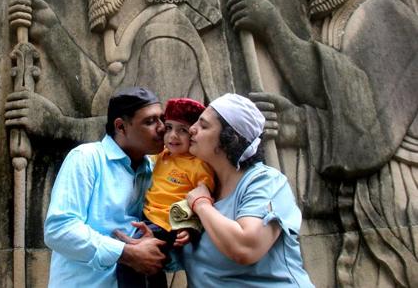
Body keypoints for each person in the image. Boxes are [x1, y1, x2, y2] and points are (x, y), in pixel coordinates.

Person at [227, 0, 418, 285]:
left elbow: (372, 125)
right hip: (366, 204)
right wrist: (298, 122)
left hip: (401, 195)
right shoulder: (339, 25)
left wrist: (274, 28)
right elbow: (338, 97)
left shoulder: (382, 13)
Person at [5, 0, 218, 144]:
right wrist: (51, 33)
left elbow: (153, 135)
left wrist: (60, 126)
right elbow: (105, 106)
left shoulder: (166, 37)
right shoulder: (130, 32)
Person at [44, 87, 174, 287]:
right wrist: (125, 252)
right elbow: (59, 230)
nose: (162, 128)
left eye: (162, 119)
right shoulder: (86, 158)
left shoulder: (157, 168)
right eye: (149, 121)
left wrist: (155, 243)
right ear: (121, 127)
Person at [182, 93, 314, 287]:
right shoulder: (201, 188)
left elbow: (246, 248)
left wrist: (201, 205)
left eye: (204, 125)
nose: (191, 129)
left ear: (230, 139)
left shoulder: (265, 181)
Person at [116, 97, 215, 288]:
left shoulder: (199, 165)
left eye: (182, 130)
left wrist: (188, 226)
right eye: (169, 128)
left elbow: (203, 198)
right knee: (151, 267)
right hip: (148, 220)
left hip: (168, 225)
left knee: (129, 260)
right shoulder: (161, 156)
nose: (173, 136)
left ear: (194, 134)